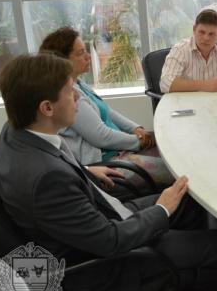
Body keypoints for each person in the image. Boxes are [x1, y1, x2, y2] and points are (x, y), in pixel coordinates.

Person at [0, 54, 217, 291]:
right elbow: (110, 241)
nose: (78, 96)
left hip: (100, 216)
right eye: (69, 91)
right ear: (47, 108)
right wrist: (162, 209)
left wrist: (84, 170)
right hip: (104, 260)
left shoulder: (17, 132)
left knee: (191, 202)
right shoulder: (47, 179)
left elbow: (50, 175)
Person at [39, 27, 173, 188]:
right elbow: (101, 136)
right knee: (175, 171)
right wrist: (138, 142)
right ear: (63, 60)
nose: (88, 56)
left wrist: (135, 128)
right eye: (81, 53)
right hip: (107, 162)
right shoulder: (69, 96)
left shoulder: (79, 84)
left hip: (119, 150)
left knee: (172, 154)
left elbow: (107, 111)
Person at [160, 9, 217, 93]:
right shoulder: (180, 50)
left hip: (215, 103)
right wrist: (204, 85)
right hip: (185, 104)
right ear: (194, 30)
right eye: (202, 32)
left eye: (211, 34)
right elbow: (165, 83)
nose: (206, 38)